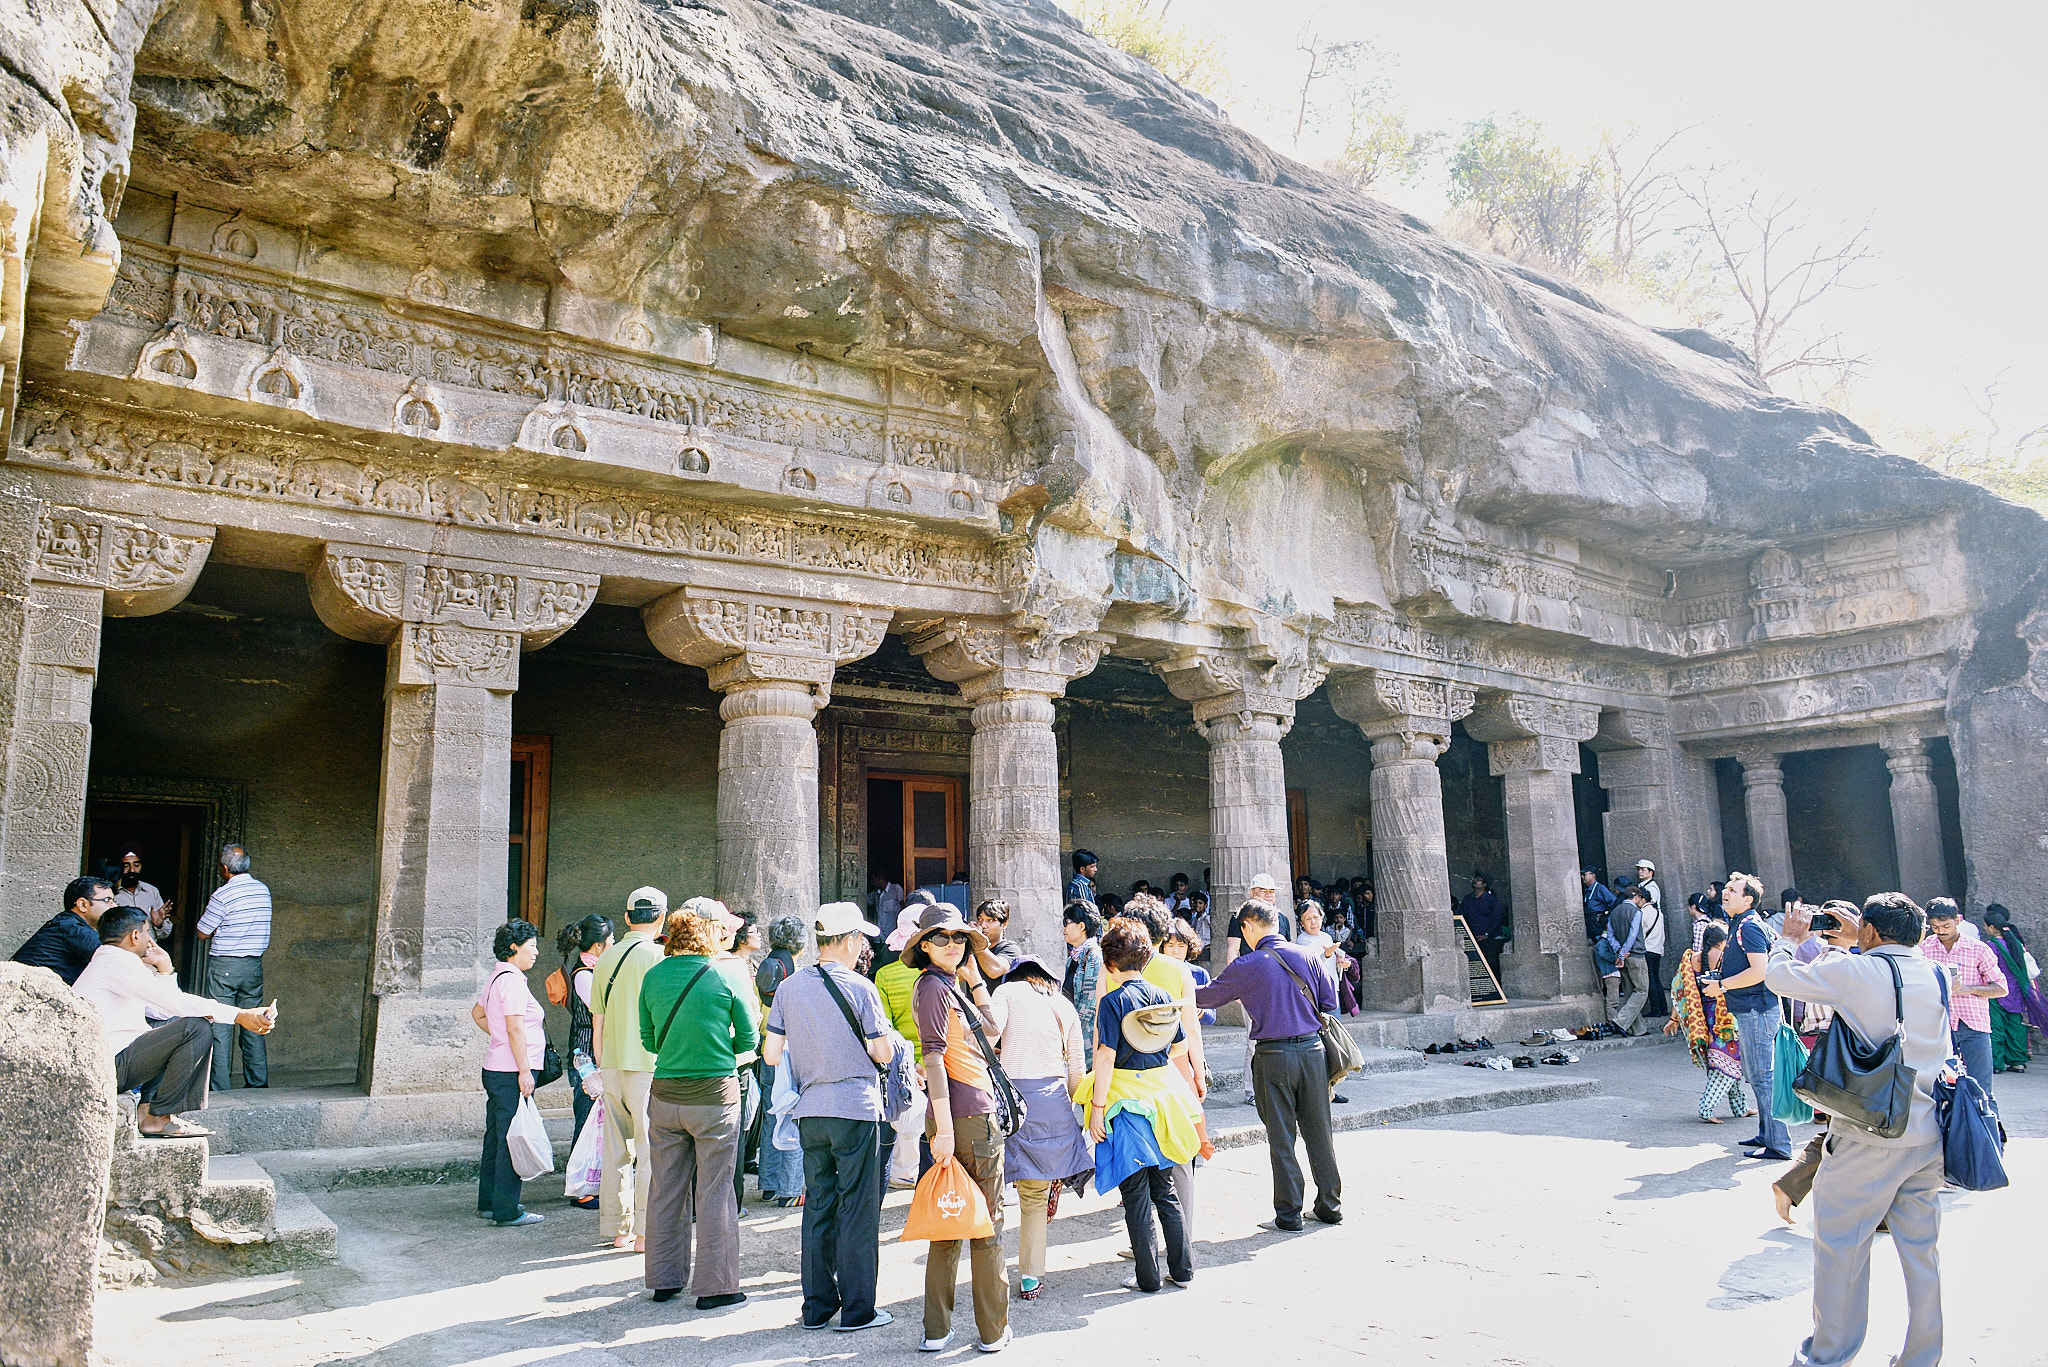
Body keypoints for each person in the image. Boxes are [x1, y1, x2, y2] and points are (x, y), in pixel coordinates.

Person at [1764, 894, 1952, 1367]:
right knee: (1921, 1253)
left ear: (1868, 930)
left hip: (1868, 1135)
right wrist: (1856, 944)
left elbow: (1779, 977)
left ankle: (1829, 1355)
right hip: (1928, 1131)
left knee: (1842, 1248)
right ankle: (1922, 1358)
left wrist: (1790, 940)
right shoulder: (1935, 972)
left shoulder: (1855, 971)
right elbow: (1884, 983)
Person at [761, 901, 895, 1332]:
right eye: (860, 939)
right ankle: (859, 1310)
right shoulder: (861, 987)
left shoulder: (789, 988)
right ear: (850, 940)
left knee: (818, 1206)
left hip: (810, 1111)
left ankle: (817, 1308)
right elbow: (881, 1051)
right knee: (858, 1208)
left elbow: (771, 1053)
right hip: (855, 1107)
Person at [904, 902, 1011, 1354]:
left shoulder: (951, 984)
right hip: (964, 1117)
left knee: (953, 1219)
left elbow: (993, 1030)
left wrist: (976, 982)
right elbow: (932, 1056)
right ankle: (990, 1330)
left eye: (959, 938)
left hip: (967, 1112)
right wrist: (944, 1129)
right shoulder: (932, 987)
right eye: (942, 938)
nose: (952, 944)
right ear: (925, 945)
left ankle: (939, 1330)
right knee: (983, 1224)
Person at [1196, 900, 1341, 1231]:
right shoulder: (1308, 956)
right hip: (1313, 1052)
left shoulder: (1248, 965)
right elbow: (1330, 1002)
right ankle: (1330, 1205)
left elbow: (1205, 997)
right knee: (1320, 1132)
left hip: (1273, 1057)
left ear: (1248, 926)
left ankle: (1289, 1215)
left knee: (1282, 1136)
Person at [639, 906, 757, 1309]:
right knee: (715, 1191)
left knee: (665, 1189)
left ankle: (663, 1280)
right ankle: (716, 1286)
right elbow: (747, 1039)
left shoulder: (654, 975)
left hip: (665, 1094)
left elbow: (649, 1040)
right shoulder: (725, 973)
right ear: (710, 936)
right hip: (714, 1095)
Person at [1075, 918, 1200, 1296]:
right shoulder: (1163, 996)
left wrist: (1097, 1108)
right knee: (1164, 1188)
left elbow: (1105, 1057)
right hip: (1162, 1101)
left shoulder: (1113, 1002)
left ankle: (1147, 1277)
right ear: (1146, 958)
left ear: (1110, 964)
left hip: (1123, 1105)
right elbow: (1178, 1047)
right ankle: (1183, 1270)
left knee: (1135, 1193)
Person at [75, 905, 274, 1139]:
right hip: (106, 1066)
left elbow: (162, 1012)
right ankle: (158, 1117)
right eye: (147, 932)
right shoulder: (117, 962)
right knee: (195, 1028)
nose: (150, 940)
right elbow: (176, 1003)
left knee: (173, 1024)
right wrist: (239, 1015)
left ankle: (148, 1110)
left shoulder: (110, 960)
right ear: (135, 935)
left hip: (111, 1061)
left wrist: (166, 968)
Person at [987, 953, 1091, 1301]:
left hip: (1010, 1103)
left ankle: (988, 1269)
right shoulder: (1064, 1006)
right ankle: (1030, 1276)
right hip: (1052, 1103)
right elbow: (1077, 1071)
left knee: (992, 1191)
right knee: (1034, 1197)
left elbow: (987, 1035)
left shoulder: (1005, 994)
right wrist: (1078, 1113)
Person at [1128, 897, 1213, 1236]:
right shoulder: (1179, 969)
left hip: (1131, 1069)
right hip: (1175, 1065)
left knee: (1141, 1159)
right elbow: (1191, 1027)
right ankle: (1183, 1237)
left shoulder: (1117, 967)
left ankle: (1142, 1242)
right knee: (1180, 1154)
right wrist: (1198, 1068)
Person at [591, 887, 665, 1251]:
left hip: (612, 1064)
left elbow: (598, 1020)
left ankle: (617, 1229)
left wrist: (601, 1062)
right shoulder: (660, 957)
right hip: (648, 1065)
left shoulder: (606, 957)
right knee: (651, 1148)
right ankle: (644, 1232)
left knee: (615, 1148)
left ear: (626, 917)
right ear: (662, 917)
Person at [1700, 872, 1791, 1161]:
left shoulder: (1749, 926)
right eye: (1725, 888)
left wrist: (1722, 985)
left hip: (1758, 1010)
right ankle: (1767, 1135)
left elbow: (1759, 971)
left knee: (1764, 1078)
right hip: (1752, 1010)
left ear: (1748, 899)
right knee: (1757, 1076)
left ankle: (1778, 1143)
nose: (1725, 893)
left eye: (1732, 890)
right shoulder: (1742, 924)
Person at [474, 920, 547, 1227]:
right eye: (531, 946)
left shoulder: (496, 976)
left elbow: (477, 1014)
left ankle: (490, 1203)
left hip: (495, 1067)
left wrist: (499, 1038)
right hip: (510, 1071)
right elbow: (516, 1027)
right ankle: (506, 1210)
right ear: (514, 947)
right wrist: (525, 1069)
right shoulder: (514, 981)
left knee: (496, 1137)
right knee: (510, 1139)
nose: (536, 952)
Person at [196, 843, 272, 1090]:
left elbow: (202, 932)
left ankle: (219, 1086)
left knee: (221, 1023)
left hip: (226, 964)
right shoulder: (263, 890)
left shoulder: (223, 895)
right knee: (257, 1021)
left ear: (225, 868)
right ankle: (258, 1083)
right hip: (253, 965)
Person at [1664, 923, 1751, 1123]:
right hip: (1724, 1018)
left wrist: (1673, 1018)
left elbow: (1680, 993)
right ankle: (1706, 1107)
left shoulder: (1690, 960)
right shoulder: (1724, 958)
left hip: (1702, 1019)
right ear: (1722, 941)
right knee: (1727, 1062)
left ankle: (1740, 1107)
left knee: (1725, 1063)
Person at [1918, 899, 2007, 1095]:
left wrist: (1966, 988)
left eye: (1946, 926)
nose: (1941, 931)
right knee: (1938, 1088)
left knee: (1981, 1089)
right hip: (1938, 1026)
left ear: (1958, 920)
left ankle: (1986, 1125)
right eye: (1935, 927)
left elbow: (2001, 988)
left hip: (1974, 1025)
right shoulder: (1924, 949)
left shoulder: (1979, 949)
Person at [755, 912, 810, 1206]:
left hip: (766, 1047)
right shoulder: (797, 973)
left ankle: (769, 1182)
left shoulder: (763, 969)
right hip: (791, 1048)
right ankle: (790, 1188)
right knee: (792, 1114)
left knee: (771, 1114)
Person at [875, 905, 928, 1189]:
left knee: (904, 1116)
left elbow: (885, 1027)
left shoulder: (884, 975)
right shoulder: (942, 974)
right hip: (936, 1059)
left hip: (903, 1060)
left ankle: (903, 1172)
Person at [555, 913, 613, 1160]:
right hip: (586, 1057)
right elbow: (602, 1012)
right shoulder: (584, 974)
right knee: (587, 1119)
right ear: (599, 944)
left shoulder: (594, 969)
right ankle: (581, 1189)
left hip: (592, 1053)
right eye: (611, 938)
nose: (613, 942)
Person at [13, 877, 115, 986]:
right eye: (107, 900)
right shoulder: (69, 927)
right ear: (82, 904)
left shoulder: (67, 924)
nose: (114, 906)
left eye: (113, 900)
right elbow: (115, 954)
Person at [1983, 905, 2048, 1072]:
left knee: (1996, 1027)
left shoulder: (1991, 946)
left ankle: (1996, 1064)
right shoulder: (2015, 943)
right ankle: (2018, 1062)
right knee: (2017, 1027)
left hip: (1997, 991)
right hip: (2017, 991)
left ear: (1991, 927)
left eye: (1985, 926)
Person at [1599, 886, 1653, 1036]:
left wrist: (1619, 951)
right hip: (1635, 955)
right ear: (1636, 897)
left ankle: (1638, 1029)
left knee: (1630, 992)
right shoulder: (1636, 911)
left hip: (1622, 956)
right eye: (1641, 898)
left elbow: (1610, 935)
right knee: (1642, 990)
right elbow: (1633, 934)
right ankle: (1621, 1021)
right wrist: (1623, 952)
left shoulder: (1614, 912)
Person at [1224, 873, 1293, 966]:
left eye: (1272, 891)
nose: (1269, 895)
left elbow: (1287, 950)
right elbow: (1233, 950)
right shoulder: (1239, 917)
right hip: (1250, 970)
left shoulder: (1283, 919)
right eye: (1263, 891)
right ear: (1252, 893)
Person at [1061, 901, 1104, 1048]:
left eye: (1067, 923)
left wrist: (1072, 1031)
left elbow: (1089, 1004)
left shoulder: (1093, 956)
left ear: (1081, 926)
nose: (1064, 928)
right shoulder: (1072, 958)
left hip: (1086, 1037)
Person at [113, 851, 173, 946]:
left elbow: (164, 934)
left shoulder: (151, 891)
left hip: (149, 953)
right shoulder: (111, 893)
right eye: (126, 866)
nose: (132, 870)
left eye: (136, 865)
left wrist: (158, 925)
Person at [1456, 873, 1505, 984]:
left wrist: (1487, 934)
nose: (1474, 880)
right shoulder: (1467, 899)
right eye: (1475, 878)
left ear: (1484, 885)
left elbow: (1496, 919)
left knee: (1491, 964)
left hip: (1490, 938)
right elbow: (1462, 916)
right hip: (1473, 938)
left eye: (1478, 880)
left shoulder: (1492, 900)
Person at [1634, 863, 1668, 1017]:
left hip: (1648, 948)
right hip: (1657, 948)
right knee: (1656, 978)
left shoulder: (1644, 912)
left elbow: (1639, 932)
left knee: (1651, 980)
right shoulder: (1658, 913)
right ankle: (1662, 1007)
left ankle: (1655, 1009)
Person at [972, 899, 1021, 974]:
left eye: (990, 920)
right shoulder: (973, 948)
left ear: (1004, 924)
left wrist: (978, 941)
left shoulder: (1011, 949)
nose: (983, 925)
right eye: (980, 919)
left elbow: (995, 970)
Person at [1582, 868, 1618, 943]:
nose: (1582, 877)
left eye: (1584, 874)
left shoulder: (1600, 888)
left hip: (1597, 918)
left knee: (1600, 940)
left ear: (1593, 876)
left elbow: (1613, 901)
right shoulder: (1587, 889)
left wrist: (1607, 915)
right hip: (1589, 918)